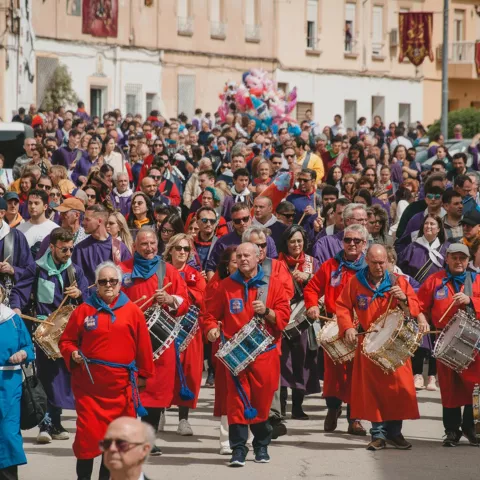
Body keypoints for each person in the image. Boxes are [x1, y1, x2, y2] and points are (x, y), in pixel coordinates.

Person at [59, 261, 154, 480]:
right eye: (103, 281)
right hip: (89, 390)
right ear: (96, 284)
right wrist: (72, 352)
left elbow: (144, 348)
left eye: (113, 281)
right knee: (86, 439)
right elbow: (66, 341)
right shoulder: (84, 310)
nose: (108, 285)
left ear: (121, 284)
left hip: (121, 390)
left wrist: (143, 378)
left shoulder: (133, 312)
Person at [203, 242, 290, 467]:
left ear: (258, 257)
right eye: (239, 256)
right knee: (236, 403)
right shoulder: (225, 285)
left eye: (247, 255)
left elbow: (284, 317)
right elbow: (209, 314)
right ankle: (238, 450)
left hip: (264, 354)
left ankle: (261, 447)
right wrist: (211, 329)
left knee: (261, 403)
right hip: (236, 356)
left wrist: (268, 312)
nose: (242, 259)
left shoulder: (274, 285)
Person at [336, 244, 429, 451]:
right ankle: (377, 434)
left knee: (398, 389)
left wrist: (404, 298)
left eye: (383, 262)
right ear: (367, 260)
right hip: (368, 343)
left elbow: (415, 307)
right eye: (375, 262)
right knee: (372, 391)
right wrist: (347, 328)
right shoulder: (355, 282)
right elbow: (342, 306)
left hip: (395, 343)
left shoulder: (398, 281)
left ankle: (394, 433)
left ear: (388, 261)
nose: (379, 266)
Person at [10, 228, 89, 444]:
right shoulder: (36, 269)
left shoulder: (75, 271)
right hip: (44, 332)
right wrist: (16, 308)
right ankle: (45, 424)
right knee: (46, 378)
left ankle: (55, 421)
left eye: (71, 249)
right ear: (52, 247)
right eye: (64, 249)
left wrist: (80, 294)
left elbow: (89, 299)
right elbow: (19, 292)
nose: (68, 253)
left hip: (67, 331)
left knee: (62, 379)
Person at [120, 227, 189, 456]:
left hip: (160, 343)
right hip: (129, 339)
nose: (149, 249)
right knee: (127, 389)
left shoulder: (168, 270)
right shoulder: (123, 270)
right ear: (135, 247)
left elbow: (184, 302)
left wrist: (170, 299)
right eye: (143, 245)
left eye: (152, 244)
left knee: (156, 391)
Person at [304, 224, 368, 435]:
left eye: (356, 241)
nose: (351, 244)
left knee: (357, 375)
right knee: (333, 374)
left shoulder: (370, 268)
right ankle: (332, 409)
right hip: (333, 325)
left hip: (360, 328)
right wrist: (312, 304)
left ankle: (355, 418)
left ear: (364, 244)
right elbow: (312, 288)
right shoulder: (331, 265)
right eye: (348, 240)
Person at [417, 243, 480, 446]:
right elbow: (419, 305)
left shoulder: (476, 279)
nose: (459, 261)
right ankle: (452, 431)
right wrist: (422, 319)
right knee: (449, 388)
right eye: (454, 257)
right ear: (447, 258)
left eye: (463, 258)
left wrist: (471, 300)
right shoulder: (434, 280)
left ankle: (471, 427)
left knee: (475, 387)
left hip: (472, 343)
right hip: (444, 340)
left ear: (468, 260)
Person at [164, 233, 206, 436]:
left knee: (188, 373)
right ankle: (159, 410)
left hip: (189, 330)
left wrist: (185, 294)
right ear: (170, 250)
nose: (182, 252)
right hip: (165, 327)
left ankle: (183, 419)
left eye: (186, 249)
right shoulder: (162, 271)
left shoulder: (195, 275)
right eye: (178, 248)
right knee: (163, 372)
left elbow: (204, 297)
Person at [277, 226, 320, 419]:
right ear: (285, 242)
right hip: (282, 319)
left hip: (304, 321)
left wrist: (308, 277)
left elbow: (322, 287)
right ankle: (281, 407)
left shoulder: (312, 263)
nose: (296, 245)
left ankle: (297, 407)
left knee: (302, 361)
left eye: (299, 241)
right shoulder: (275, 263)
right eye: (292, 241)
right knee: (282, 362)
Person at [0, 304, 35, 480]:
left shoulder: (12, 319)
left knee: (8, 434)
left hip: (9, 385)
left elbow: (29, 347)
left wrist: (22, 353)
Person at [206, 203, 277, 278]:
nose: (242, 223)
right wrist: (215, 289)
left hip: (262, 283)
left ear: (251, 217)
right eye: (237, 221)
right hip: (231, 285)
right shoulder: (223, 242)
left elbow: (273, 263)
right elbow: (211, 268)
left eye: (245, 219)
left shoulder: (264, 238)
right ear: (232, 222)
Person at [72, 204, 132, 285]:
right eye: (83, 219)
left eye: (87, 220)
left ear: (99, 221)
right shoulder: (80, 249)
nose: (83, 223)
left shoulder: (119, 247)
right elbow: (77, 280)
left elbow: (128, 279)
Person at [17, 189, 58, 258]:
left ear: (45, 207)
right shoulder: (19, 229)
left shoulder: (55, 230)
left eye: (36, 203)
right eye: (30, 203)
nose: (32, 206)